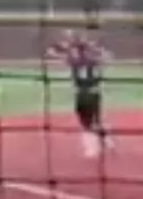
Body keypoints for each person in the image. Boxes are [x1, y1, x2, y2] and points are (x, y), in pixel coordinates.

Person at [47, 29, 111, 158]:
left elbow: (52, 53)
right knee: (96, 121)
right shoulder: (93, 60)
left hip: (82, 94)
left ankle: (93, 147)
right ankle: (105, 140)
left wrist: (65, 45)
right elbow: (106, 56)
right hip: (95, 93)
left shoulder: (75, 61)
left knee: (85, 122)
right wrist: (91, 46)